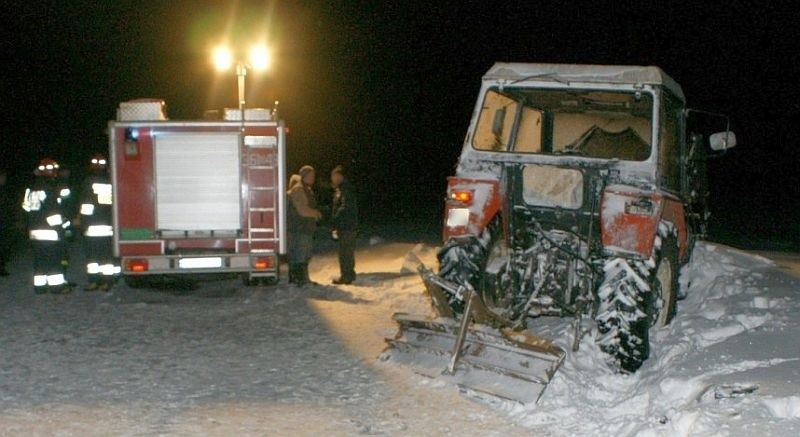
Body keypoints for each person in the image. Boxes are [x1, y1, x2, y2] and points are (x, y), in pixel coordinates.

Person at [22, 158, 73, 294]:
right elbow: (53, 212)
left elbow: (26, 208)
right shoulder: (50, 188)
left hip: (35, 231)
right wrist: (64, 227)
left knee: (40, 259)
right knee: (54, 259)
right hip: (50, 231)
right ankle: (56, 286)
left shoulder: (31, 188)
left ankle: (40, 287)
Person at [80, 154, 119, 291]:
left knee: (92, 257)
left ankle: (94, 281)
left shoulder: (88, 182)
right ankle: (107, 282)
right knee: (106, 256)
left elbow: (86, 205)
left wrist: (83, 223)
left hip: (91, 227)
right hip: (108, 226)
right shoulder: (112, 181)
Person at [287, 165, 322, 286]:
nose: (313, 178)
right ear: (304, 176)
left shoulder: (305, 188)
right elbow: (302, 210)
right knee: (302, 254)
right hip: (301, 228)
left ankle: (298, 279)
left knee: (301, 254)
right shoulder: (299, 189)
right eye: (311, 175)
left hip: (302, 227)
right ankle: (301, 280)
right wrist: (316, 213)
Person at [330, 165, 358, 284]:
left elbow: (346, 207)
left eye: (335, 176)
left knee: (345, 252)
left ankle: (346, 276)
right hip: (344, 225)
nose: (333, 179)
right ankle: (348, 275)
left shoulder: (346, 189)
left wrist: (336, 217)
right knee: (346, 252)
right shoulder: (340, 189)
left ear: (341, 176)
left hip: (347, 226)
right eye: (332, 176)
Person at [0, 168, 11, 277]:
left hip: (4, 221)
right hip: (2, 221)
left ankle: (2, 266)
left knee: (4, 245)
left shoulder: (4, 190)